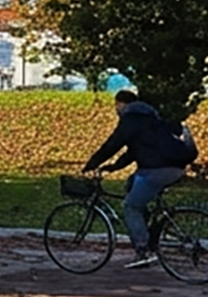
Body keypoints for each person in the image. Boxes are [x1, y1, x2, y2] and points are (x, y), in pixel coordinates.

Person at [83, 88, 194, 268]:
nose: (116, 109)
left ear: (121, 104)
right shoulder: (151, 118)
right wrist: (114, 167)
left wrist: (92, 163)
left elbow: (113, 144)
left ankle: (144, 251)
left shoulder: (130, 120)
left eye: (116, 105)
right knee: (131, 184)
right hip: (174, 167)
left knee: (131, 206)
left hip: (156, 171)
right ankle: (149, 232)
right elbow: (134, 151)